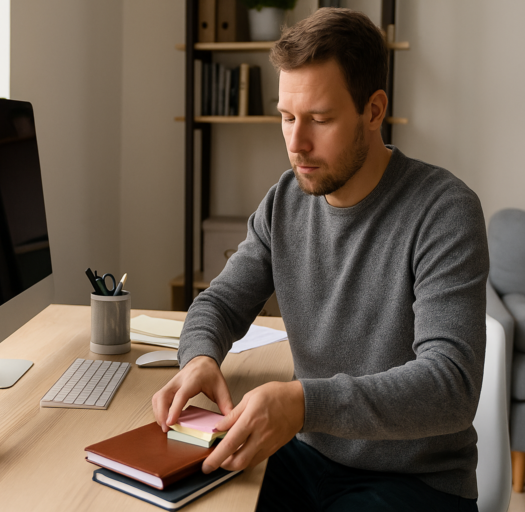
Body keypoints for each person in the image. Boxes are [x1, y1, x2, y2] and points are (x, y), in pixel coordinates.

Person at [153, 8, 488, 511]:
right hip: (306, 455)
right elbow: (220, 302)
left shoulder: (444, 211)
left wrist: (303, 402)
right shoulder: (285, 201)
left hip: (415, 481)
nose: (296, 143)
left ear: (374, 111)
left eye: (320, 119)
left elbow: (451, 385)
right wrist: (199, 355)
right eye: (287, 117)